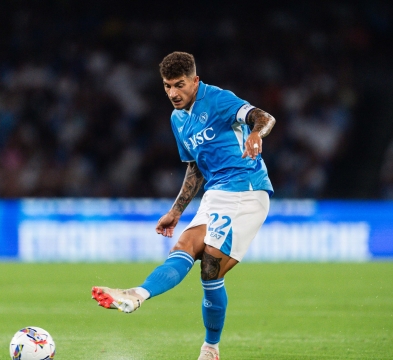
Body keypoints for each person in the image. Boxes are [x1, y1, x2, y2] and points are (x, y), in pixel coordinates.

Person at [91, 51, 276, 360]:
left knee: (209, 267)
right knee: (186, 247)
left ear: (195, 81)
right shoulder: (178, 119)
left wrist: (256, 133)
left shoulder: (217, 99)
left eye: (179, 85)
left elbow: (263, 116)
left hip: (245, 188)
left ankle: (209, 347)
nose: (173, 94)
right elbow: (195, 168)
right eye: (167, 86)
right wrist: (176, 211)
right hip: (216, 194)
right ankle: (138, 295)